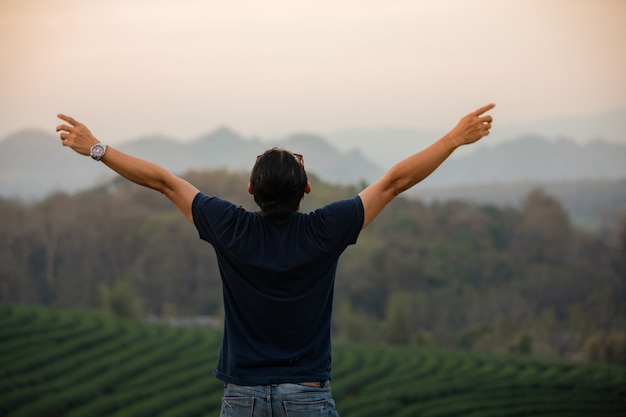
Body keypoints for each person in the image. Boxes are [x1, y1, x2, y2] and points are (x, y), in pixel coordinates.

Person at [56, 103, 494, 417]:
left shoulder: (230, 227)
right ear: (306, 191)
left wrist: (96, 148)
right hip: (307, 396)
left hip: (241, 398)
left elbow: (164, 182)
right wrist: (455, 138)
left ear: (250, 191)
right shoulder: (327, 230)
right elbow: (395, 182)